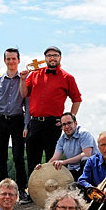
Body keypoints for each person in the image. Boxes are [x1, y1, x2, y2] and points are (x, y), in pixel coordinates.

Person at [20, 46, 82, 175]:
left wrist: (69, 119)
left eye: (55, 55)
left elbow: (77, 99)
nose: (52, 58)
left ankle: (51, 193)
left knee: (52, 161)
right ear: (45, 58)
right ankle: (32, 193)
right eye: (49, 55)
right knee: (32, 159)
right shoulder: (35, 73)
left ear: (60, 58)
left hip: (54, 124)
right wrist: (22, 80)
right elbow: (24, 93)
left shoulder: (67, 77)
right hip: (35, 123)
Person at [0, 48, 32, 203]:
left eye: (14, 59)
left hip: (17, 121)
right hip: (1, 121)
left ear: (19, 60)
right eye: (8, 59)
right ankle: (2, 191)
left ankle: (22, 189)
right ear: (4, 61)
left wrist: (26, 125)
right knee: (1, 158)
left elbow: (27, 104)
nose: (11, 61)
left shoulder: (24, 80)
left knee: (18, 157)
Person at [41, 112, 97, 181]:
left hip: (91, 169)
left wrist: (64, 162)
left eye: (69, 123)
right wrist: (42, 168)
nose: (67, 127)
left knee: (85, 160)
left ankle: (88, 187)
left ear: (75, 123)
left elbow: (86, 154)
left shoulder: (84, 134)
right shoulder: (62, 139)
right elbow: (54, 158)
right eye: (64, 124)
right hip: (73, 170)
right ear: (61, 127)